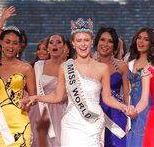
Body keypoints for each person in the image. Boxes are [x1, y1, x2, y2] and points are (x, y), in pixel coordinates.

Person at [21, 18, 130, 147]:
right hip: (71, 123)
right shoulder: (66, 67)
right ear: (73, 43)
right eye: (79, 40)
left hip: (93, 122)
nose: (83, 44)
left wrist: (125, 107)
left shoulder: (102, 68)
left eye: (86, 40)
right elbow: (58, 96)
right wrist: (36, 97)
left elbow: (107, 98)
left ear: (91, 41)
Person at [30, 34, 67, 147]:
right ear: (48, 48)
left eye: (58, 42)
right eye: (51, 42)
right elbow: (32, 90)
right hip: (39, 111)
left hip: (60, 111)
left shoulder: (69, 68)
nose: (54, 44)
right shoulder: (38, 66)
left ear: (64, 47)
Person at [94, 27, 129, 147]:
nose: (105, 44)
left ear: (115, 45)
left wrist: (129, 117)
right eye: (102, 40)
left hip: (116, 114)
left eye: (110, 41)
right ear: (97, 42)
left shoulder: (122, 66)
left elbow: (126, 95)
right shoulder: (89, 65)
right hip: (94, 112)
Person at [126, 28, 152, 147]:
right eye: (139, 38)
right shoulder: (130, 63)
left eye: (146, 39)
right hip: (134, 109)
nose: (141, 41)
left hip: (149, 108)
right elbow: (129, 91)